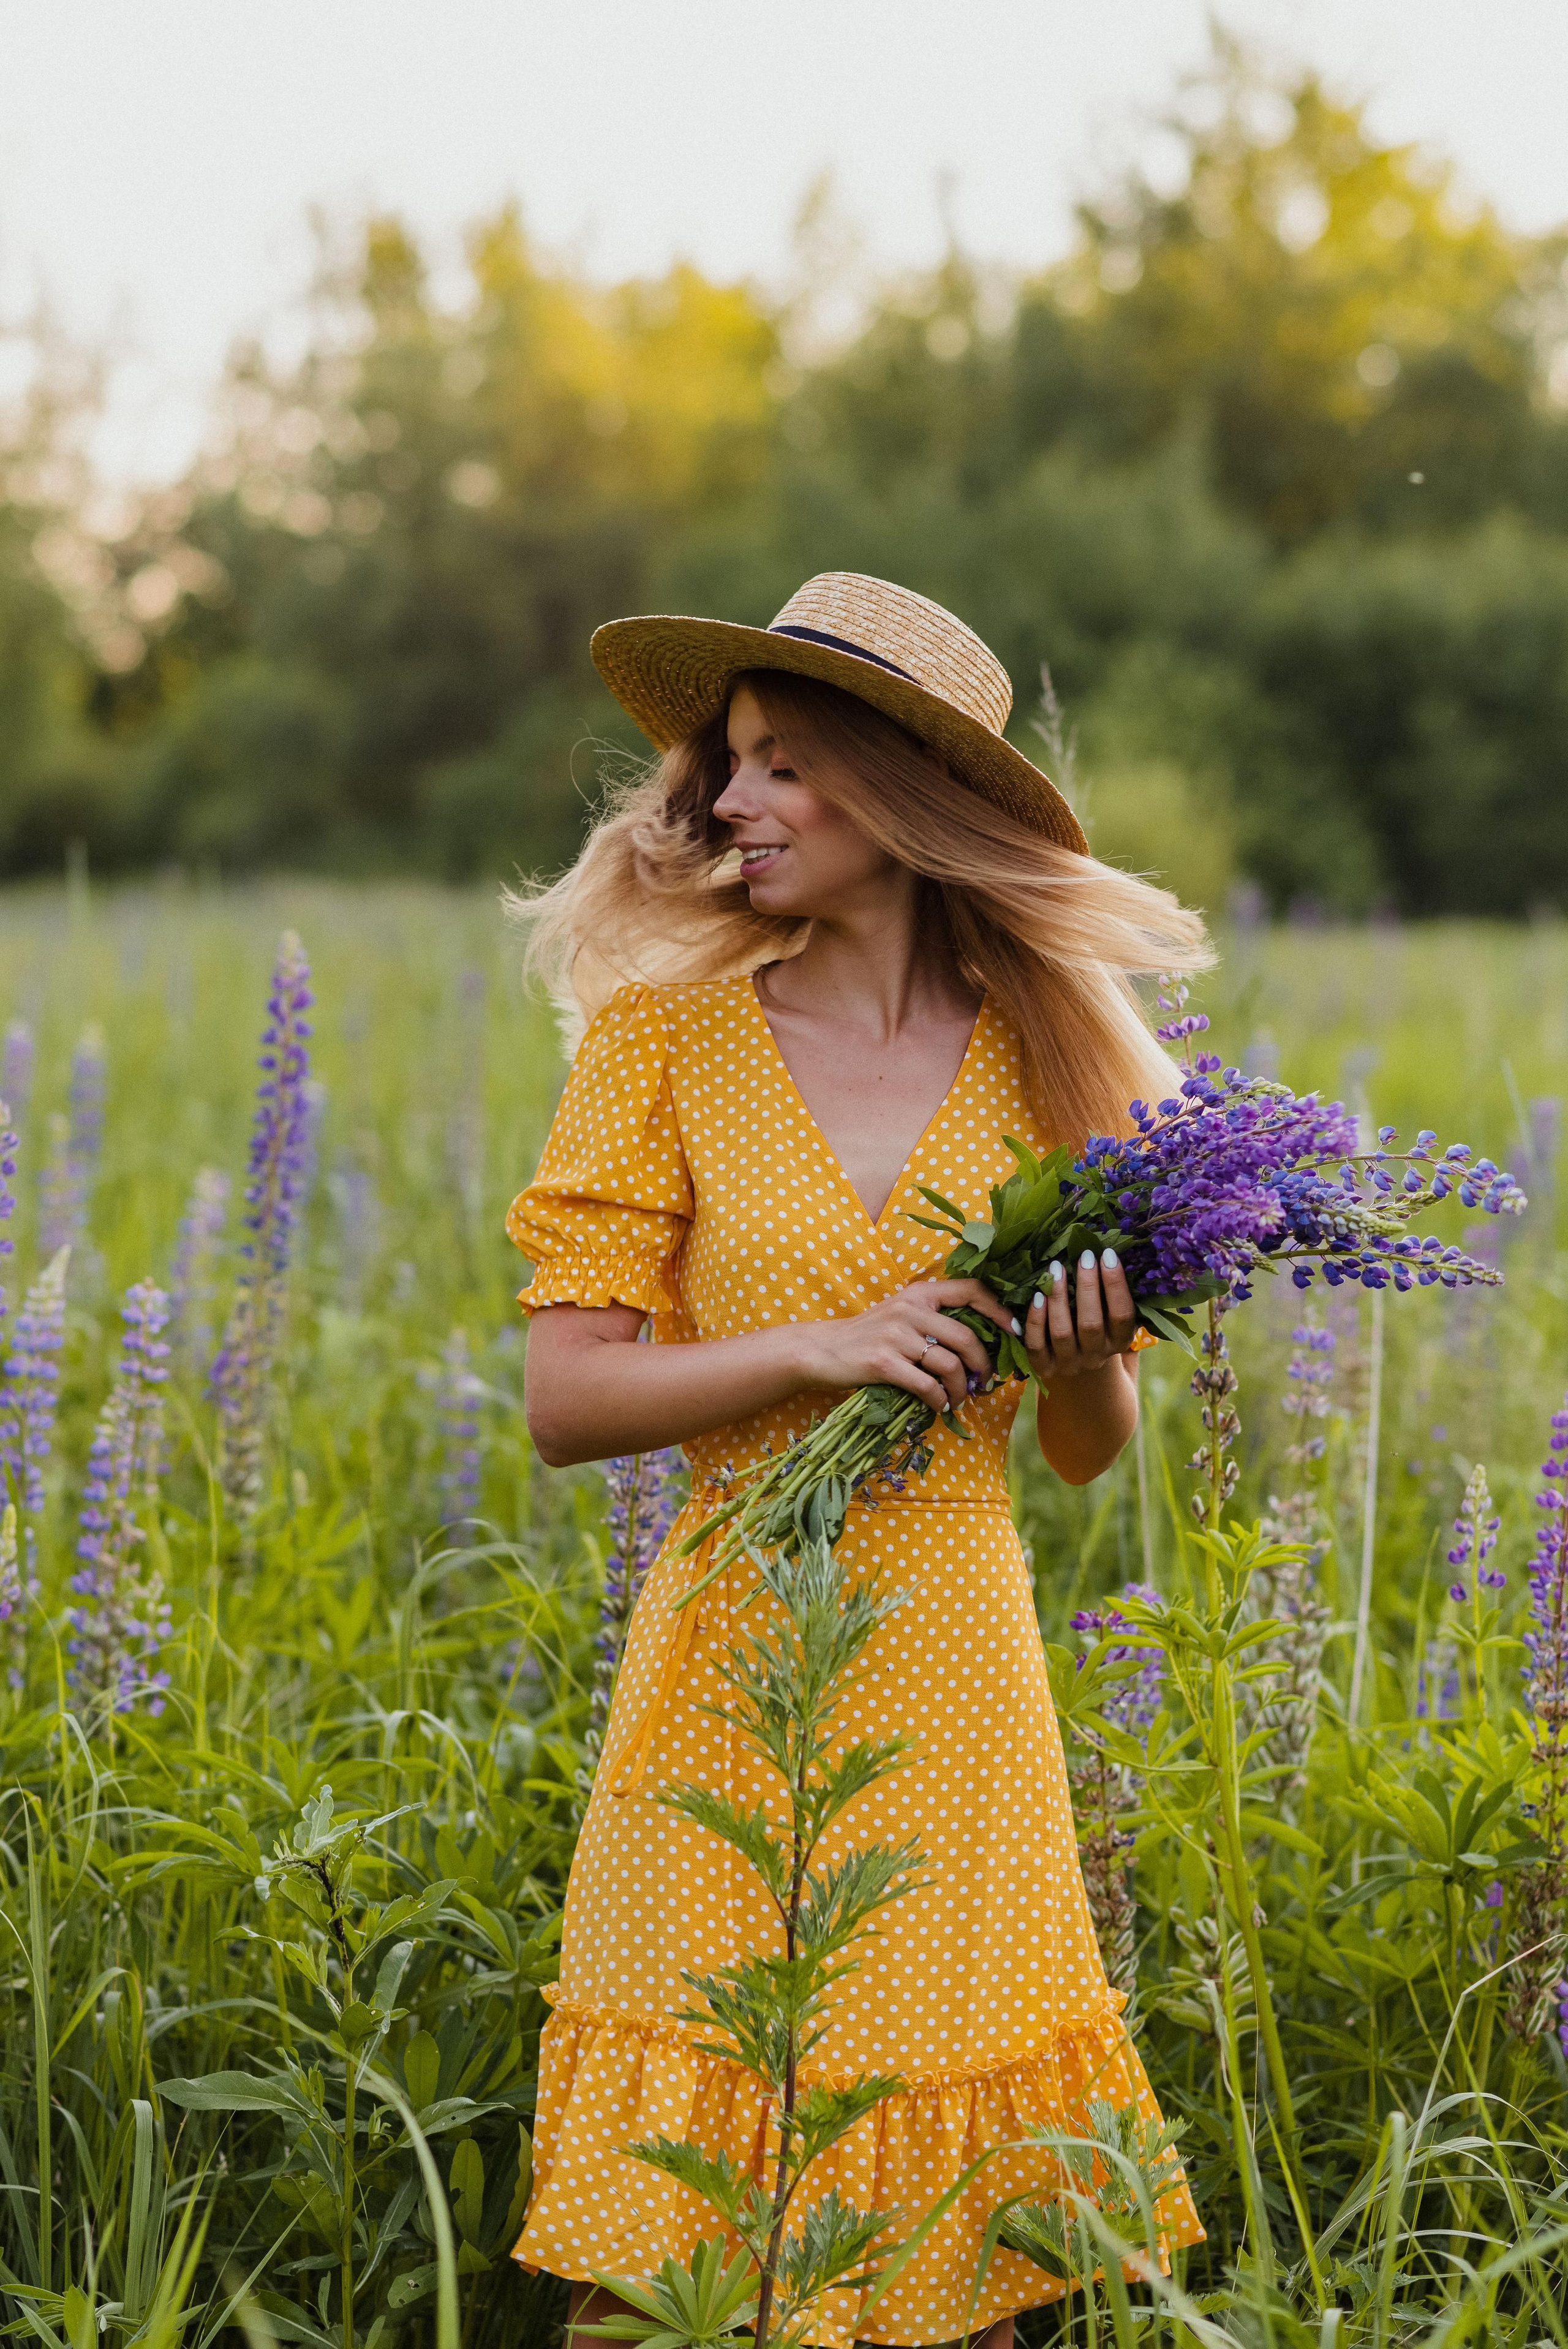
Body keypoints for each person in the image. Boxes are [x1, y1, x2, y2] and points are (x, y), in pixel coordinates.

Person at [505, 572, 1207, 2347]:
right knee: (668, 2265)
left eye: (781, 768)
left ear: (902, 798)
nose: (728, 802)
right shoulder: (661, 1039)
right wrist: (823, 1344)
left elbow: (1080, 1451)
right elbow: (565, 1400)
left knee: (948, 2278)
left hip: (957, 1671)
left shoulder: (1055, 1063)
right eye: (729, 764)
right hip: (726, 1650)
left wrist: (1079, 1364)